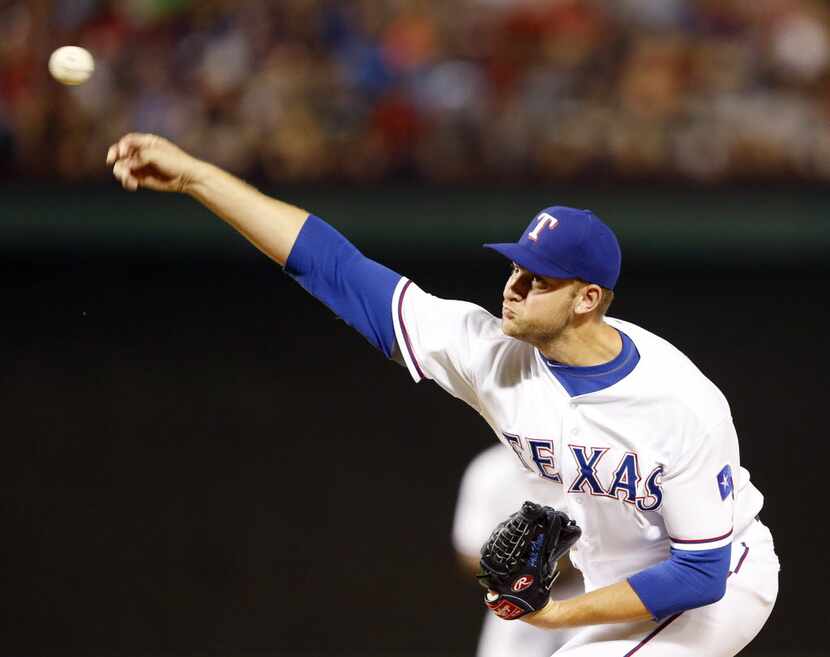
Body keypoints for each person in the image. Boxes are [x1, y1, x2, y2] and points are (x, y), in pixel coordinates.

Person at [107, 133, 780, 656]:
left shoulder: (677, 402)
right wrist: (198, 177)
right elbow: (334, 266)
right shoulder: (491, 353)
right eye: (517, 266)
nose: (515, 285)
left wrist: (557, 613)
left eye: (539, 278)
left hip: (719, 583)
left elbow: (701, 572)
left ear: (588, 299)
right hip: (625, 587)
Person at [453, 443, 584, 657]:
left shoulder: (586, 461)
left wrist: (561, 561)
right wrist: (512, 569)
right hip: (516, 603)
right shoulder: (491, 469)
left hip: (589, 596)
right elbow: (468, 553)